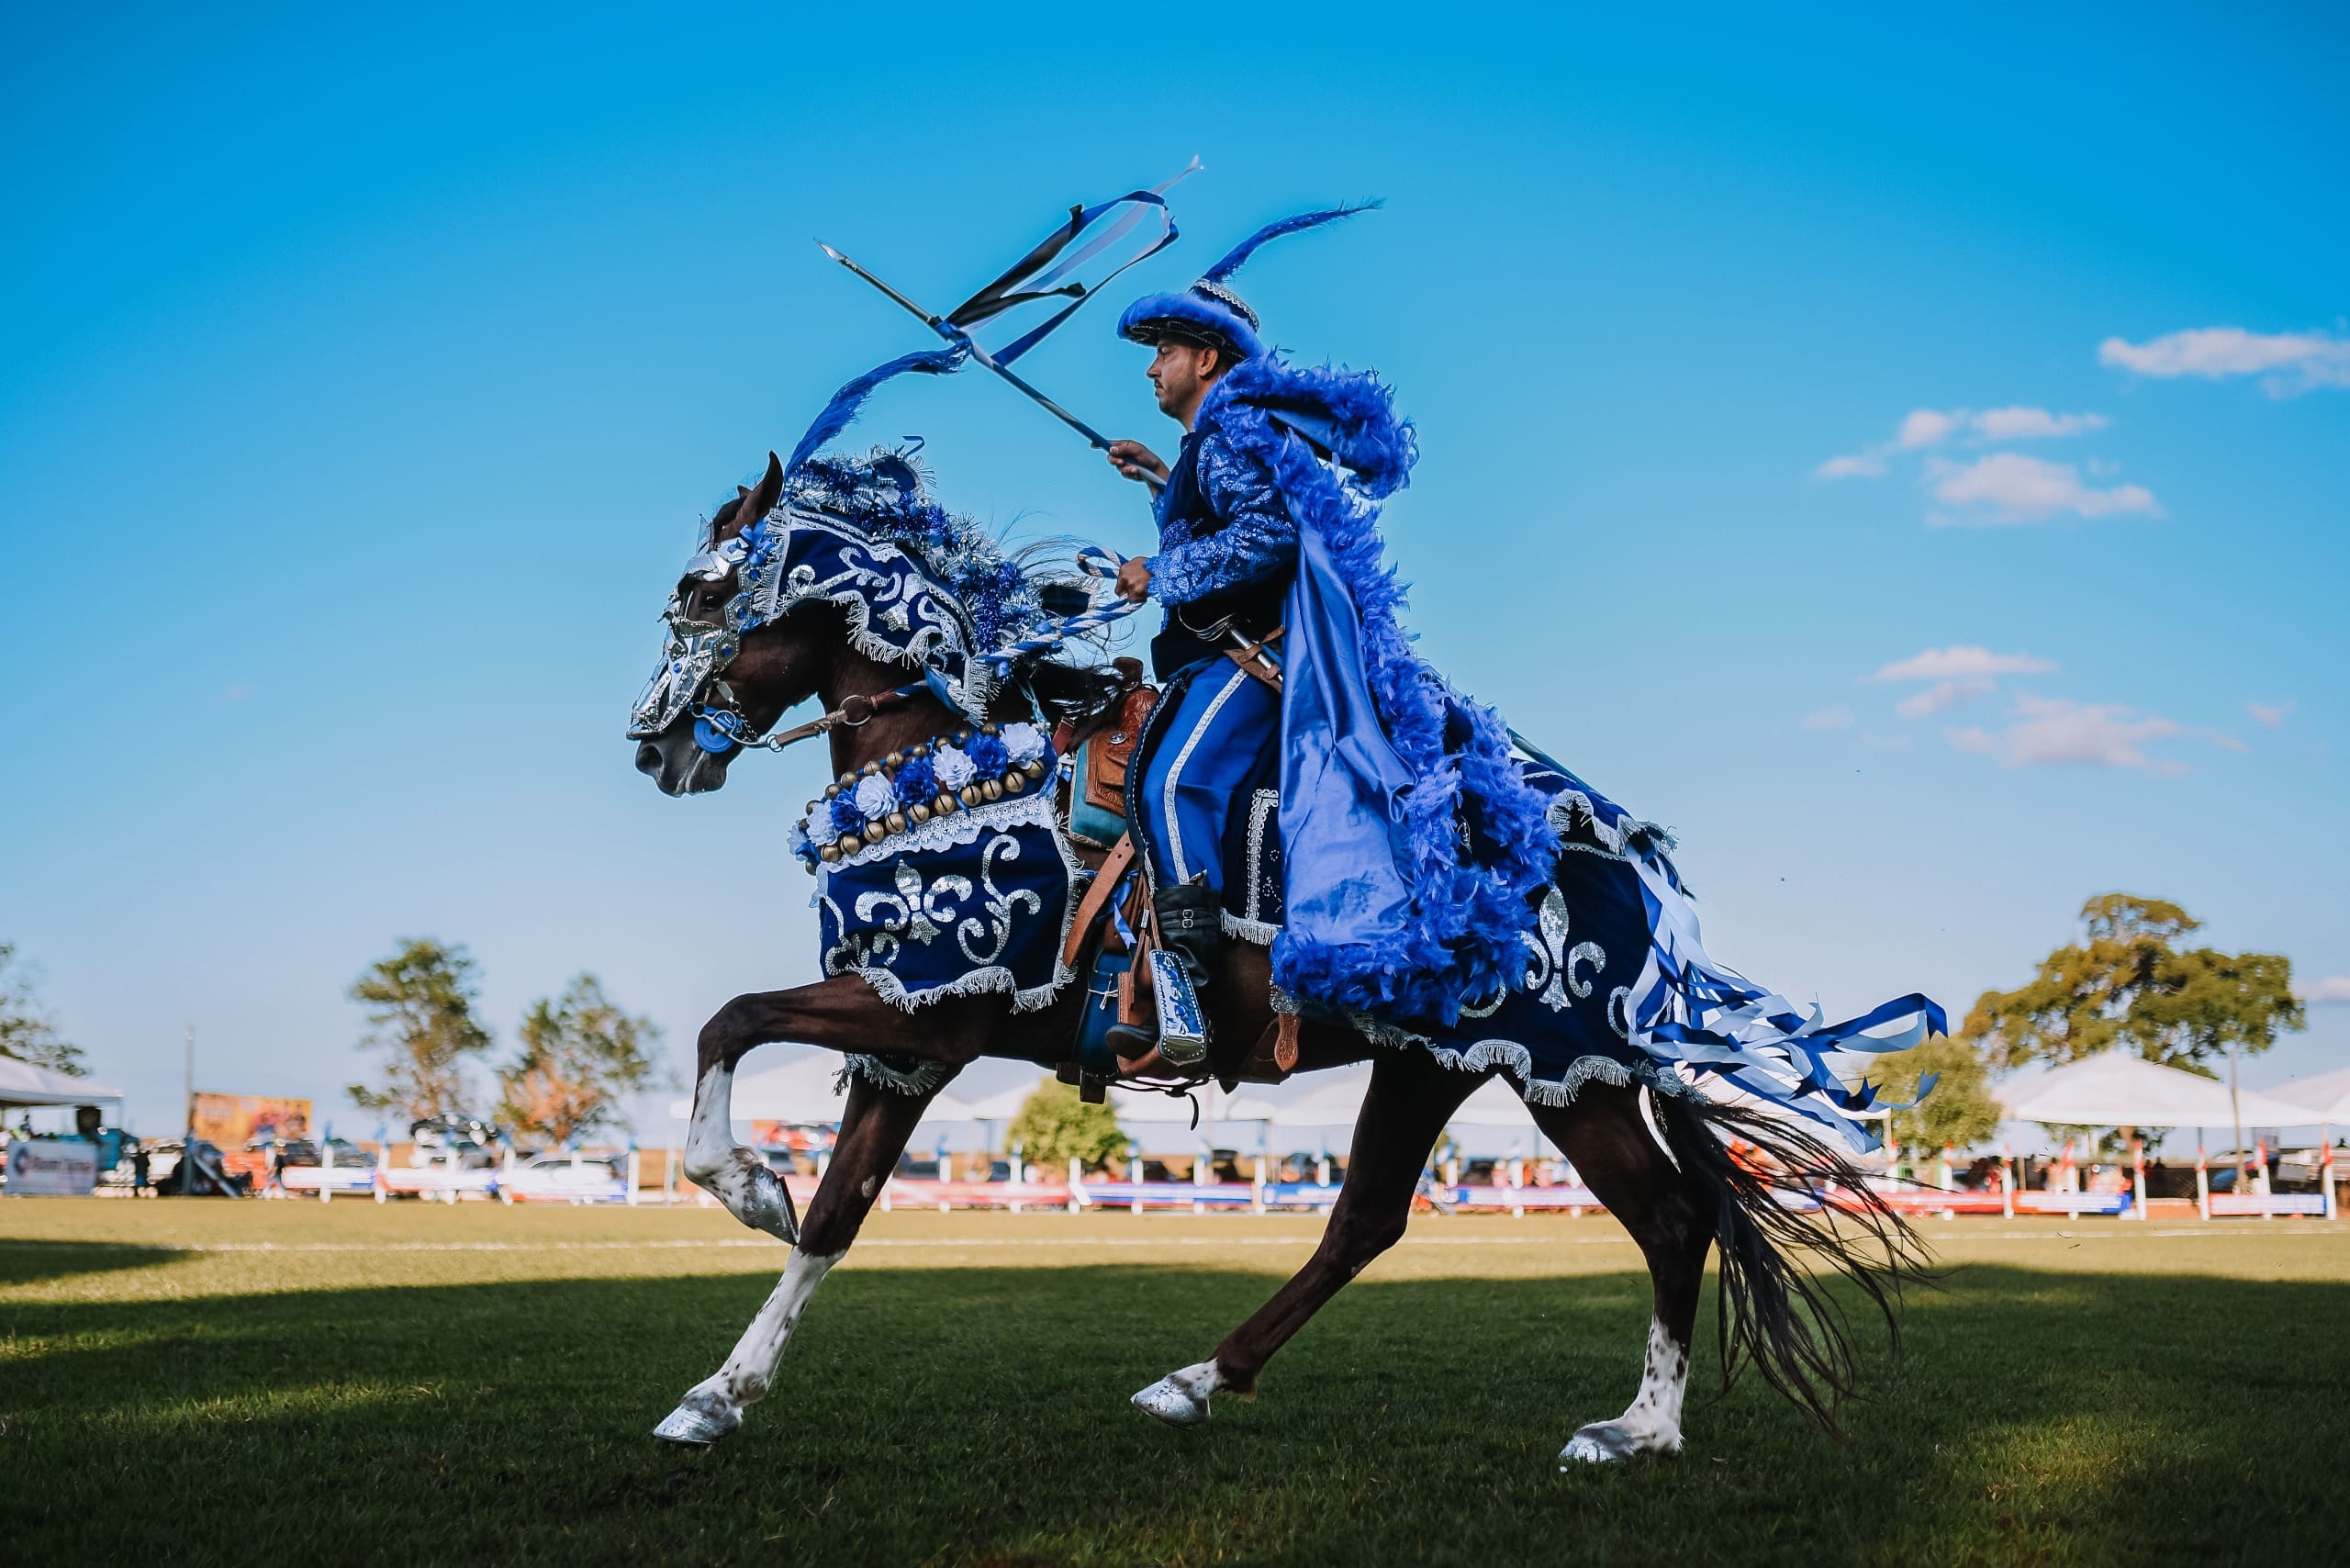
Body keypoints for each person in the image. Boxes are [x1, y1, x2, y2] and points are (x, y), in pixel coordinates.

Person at [1100, 206, 1558, 1068]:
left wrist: (1156, 574)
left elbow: (1266, 535)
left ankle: (1188, 996)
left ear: (1206, 359)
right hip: (1223, 648)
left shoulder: (1232, 425)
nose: (1152, 369)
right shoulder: (1217, 439)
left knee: (1170, 786)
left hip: (1249, 655)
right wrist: (1163, 482)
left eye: (1163, 352)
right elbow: (1229, 522)